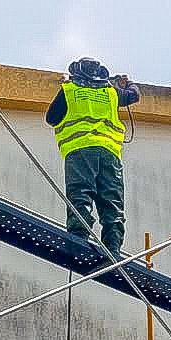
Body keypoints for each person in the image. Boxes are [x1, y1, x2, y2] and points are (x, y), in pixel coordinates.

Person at [45, 58, 140, 253]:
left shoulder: (70, 90)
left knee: (80, 193)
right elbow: (134, 95)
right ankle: (113, 245)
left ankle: (78, 236)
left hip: (80, 151)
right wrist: (128, 83)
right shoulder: (111, 93)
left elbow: (51, 118)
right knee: (112, 200)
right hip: (109, 154)